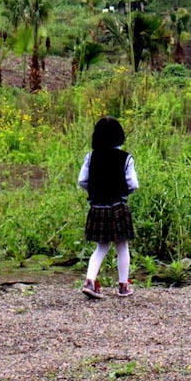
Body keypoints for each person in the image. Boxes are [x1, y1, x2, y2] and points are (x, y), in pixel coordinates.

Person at [78, 116, 139, 298]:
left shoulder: (91, 157)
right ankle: (123, 285)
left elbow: (82, 181)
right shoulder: (125, 158)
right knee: (122, 246)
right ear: (119, 136)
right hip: (118, 206)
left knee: (101, 247)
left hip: (97, 206)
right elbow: (133, 184)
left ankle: (90, 281)